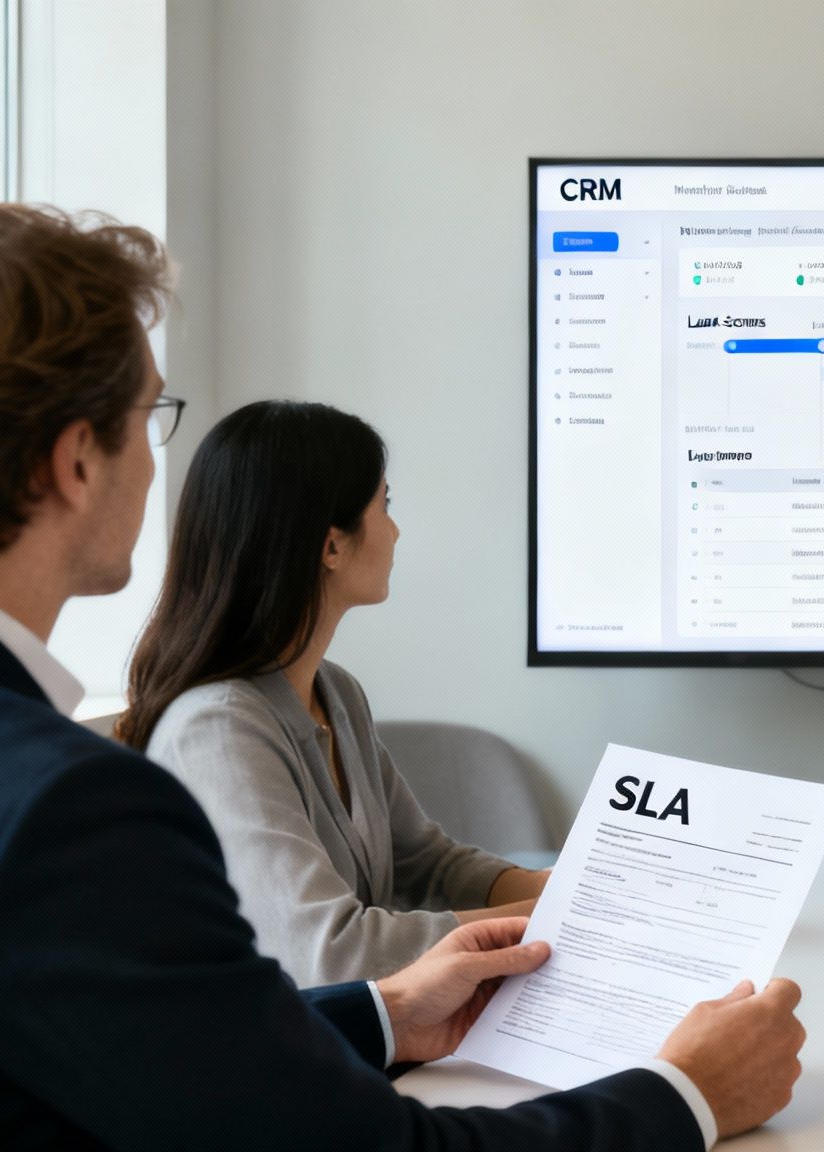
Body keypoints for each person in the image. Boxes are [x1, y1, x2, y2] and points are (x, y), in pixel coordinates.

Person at [0, 202, 804, 1150]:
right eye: (148, 417)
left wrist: (386, 1015)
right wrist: (684, 1093)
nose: (158, 469)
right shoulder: (67, 807)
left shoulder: (22, 772)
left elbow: (182, 1060)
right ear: (76, 458)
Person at [117, 399, 544, 986]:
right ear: (331, 546)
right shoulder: (217, 730)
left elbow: (426, 862)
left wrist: (556, 891)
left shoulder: (336, 692)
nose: (395, 530)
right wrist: (555, 922)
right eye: (384, 506)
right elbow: (334, 955)